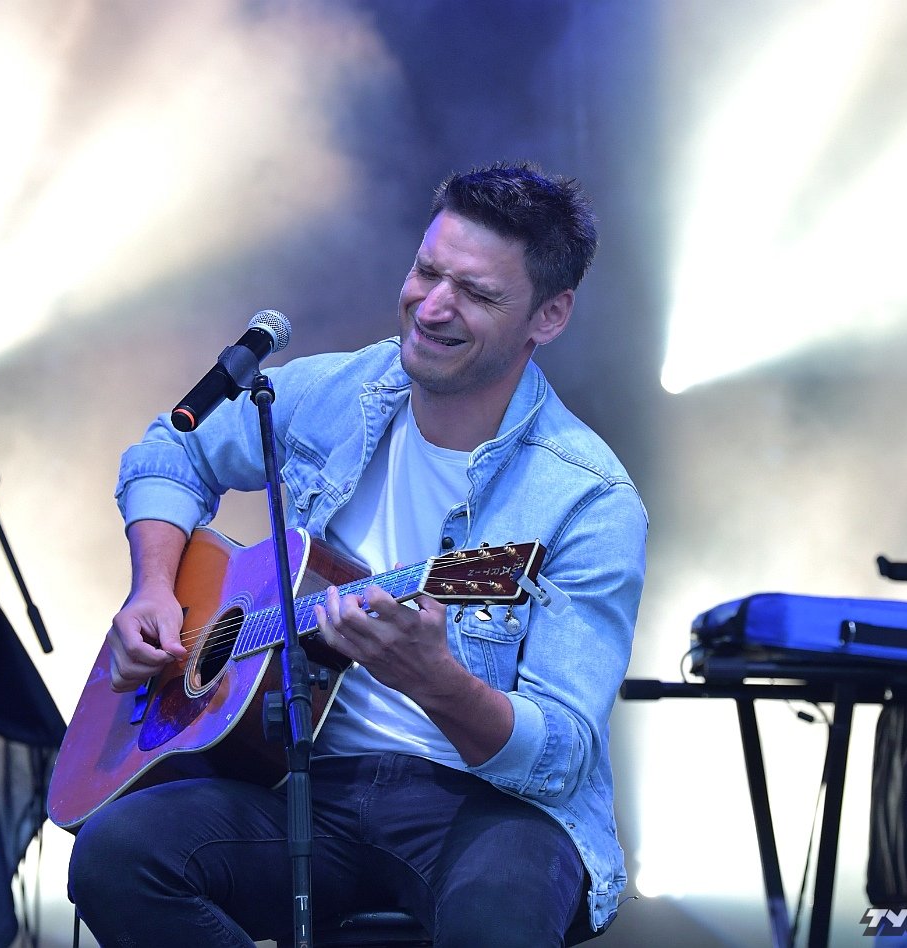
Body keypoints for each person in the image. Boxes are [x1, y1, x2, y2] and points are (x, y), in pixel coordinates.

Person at [69, 163, 647, 947]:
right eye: (427, 271)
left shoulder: (588, 500)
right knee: (116, 855)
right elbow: (172, 452)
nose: (432, 306)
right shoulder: (337, 391)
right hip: (302, 777)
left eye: (476, 294)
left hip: (490, 807)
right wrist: (153, 587)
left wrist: (438, 683)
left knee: (499, 922)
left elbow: (560, 756)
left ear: (549, 315)